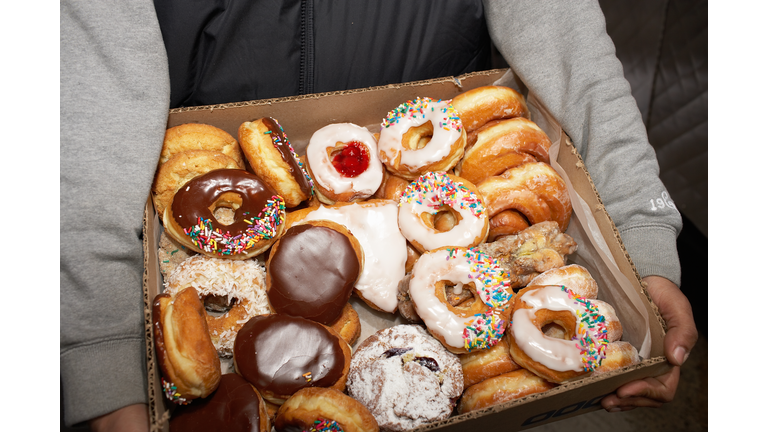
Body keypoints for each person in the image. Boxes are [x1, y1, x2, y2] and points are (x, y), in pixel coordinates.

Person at [60, 0, 698, 430]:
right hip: (215, 175)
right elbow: (86, 106)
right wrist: (100, 354)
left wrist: (638, 226)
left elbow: (568, 46)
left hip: (427, 161)